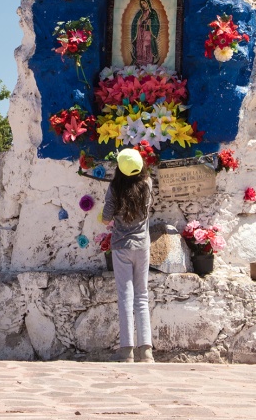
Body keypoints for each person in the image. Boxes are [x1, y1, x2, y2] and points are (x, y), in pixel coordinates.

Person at [102, 147, 154, 363]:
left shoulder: (115, 188)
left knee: (126, 295)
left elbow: (106, 218)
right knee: (142, 295)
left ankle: (126, 350)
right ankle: (146, 351)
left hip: (122, 246)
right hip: (142, 246)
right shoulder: (147, 184)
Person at [130, 0, 160, 67]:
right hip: (140, 32)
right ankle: (139, 63)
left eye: (144, 3)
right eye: (141, 4)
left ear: (147, 3)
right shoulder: (140, 12)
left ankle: (148, 64)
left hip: (148, 33)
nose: (143, 5)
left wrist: (150, 22)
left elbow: (156, 23)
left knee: (147, 46)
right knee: (139, 47)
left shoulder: (153, 12)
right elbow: (135, 22)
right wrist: (138, 23)